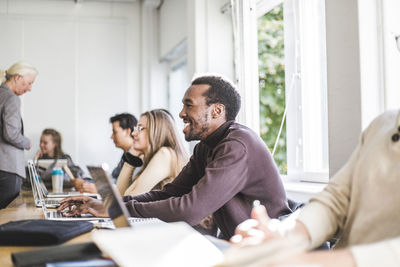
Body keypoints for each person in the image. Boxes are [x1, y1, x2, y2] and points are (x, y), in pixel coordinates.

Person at [58, 74, 292, 240]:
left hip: (272, 251)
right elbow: (170, 193)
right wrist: (111, 205)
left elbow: (189, 209)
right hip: (243, 247)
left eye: (188, 106)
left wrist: (116, 209)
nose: (181, 113)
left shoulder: (236, 146)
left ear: (217, 111)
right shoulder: (205, 147)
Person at [231, 109, 400, 267]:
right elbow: (335, 200)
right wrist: (284, 236)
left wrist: (305, 262)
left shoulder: (237, 143)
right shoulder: (383, 124)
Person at [116, 109, 189, 196]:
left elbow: (130, 196)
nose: (134, 133)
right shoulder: (149, 156)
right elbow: (119, 195)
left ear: (157, 131)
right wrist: (131, 158)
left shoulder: (165, 154)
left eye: (140, 128)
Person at [0, 62, 38, 209]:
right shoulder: (11, 98)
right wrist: (26, 142)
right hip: (8, 167)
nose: (29, 88)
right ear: (17, 77)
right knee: (8, 217)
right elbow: (11, 133)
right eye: (29, 83)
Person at [74, 113, 137, 193]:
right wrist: (87, 183)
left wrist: (99, 189)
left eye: (115, 132)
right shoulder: (126, 155)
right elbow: (113, 179)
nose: (111, 137)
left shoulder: (136, 157)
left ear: (128, 131)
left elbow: (124, 187)